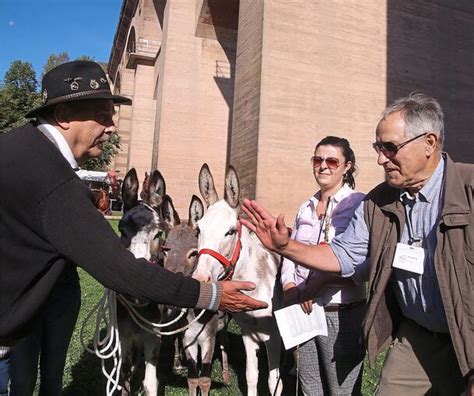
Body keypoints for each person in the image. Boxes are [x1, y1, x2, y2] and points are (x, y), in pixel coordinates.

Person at [0, 60, 266, 394]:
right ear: (64, 115)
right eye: (102, 115)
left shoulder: (20, 147)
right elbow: (121, 270)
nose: (112, 126)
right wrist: (211, 293)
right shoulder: (52, 179)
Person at [242, 92, 473, 395]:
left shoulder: (468, 190)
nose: (380, 159)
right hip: (419, 336)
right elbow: (345, 254)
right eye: (379, 148)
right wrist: (286, 247)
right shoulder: (379, 202)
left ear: (429, 143)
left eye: (390, 148)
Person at [281, 136, 367, 395]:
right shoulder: (305, 207)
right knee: (309, 388)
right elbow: (290, 252)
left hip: (339, 312)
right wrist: (289, 284)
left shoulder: (359, 205)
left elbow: (364, 265)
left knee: (341, 391)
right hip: (304, 311)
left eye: (332, 161)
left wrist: (321, 282)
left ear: (347, 166)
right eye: (318, 160)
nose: (323, 166)